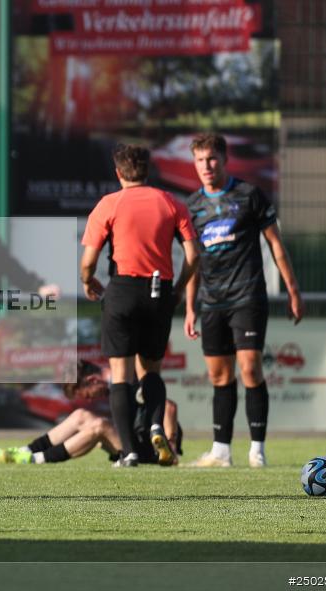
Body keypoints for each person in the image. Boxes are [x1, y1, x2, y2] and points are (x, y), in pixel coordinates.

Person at [183, 133, 304, 468]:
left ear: (224, 160)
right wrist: (190, 306)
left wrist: (293, 290)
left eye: (212, 159)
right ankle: (221, 451)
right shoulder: (191, 207)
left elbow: (276, 246)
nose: (206, 166)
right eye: (200, 161)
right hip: (211, 302)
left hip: (247, 297)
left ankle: (257, 449)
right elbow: (191, 262)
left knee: (250, 370)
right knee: (220, 378)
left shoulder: (249, 195)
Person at [81, 144, 200, 467]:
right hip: (158, 290)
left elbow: (88, 261)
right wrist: (176, 290)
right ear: (149, 171)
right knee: (152, 371)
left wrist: (87, 280)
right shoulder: (171, 203)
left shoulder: (109, 204)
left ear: (118, 173)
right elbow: (193, 256)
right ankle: (157, 424)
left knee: (120, 375)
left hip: (122, 290)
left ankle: (130, 450)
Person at [0, 361, 183, 466]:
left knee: (99, 426)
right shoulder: (116, 382)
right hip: (131, 444)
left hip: (147, 451)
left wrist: (170, 446)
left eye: (86, 394)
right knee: (81, 415)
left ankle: (34, 459)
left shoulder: (126, 380)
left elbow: (170, 407)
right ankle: (27, 451)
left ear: (94, 380)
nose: (89, 399)